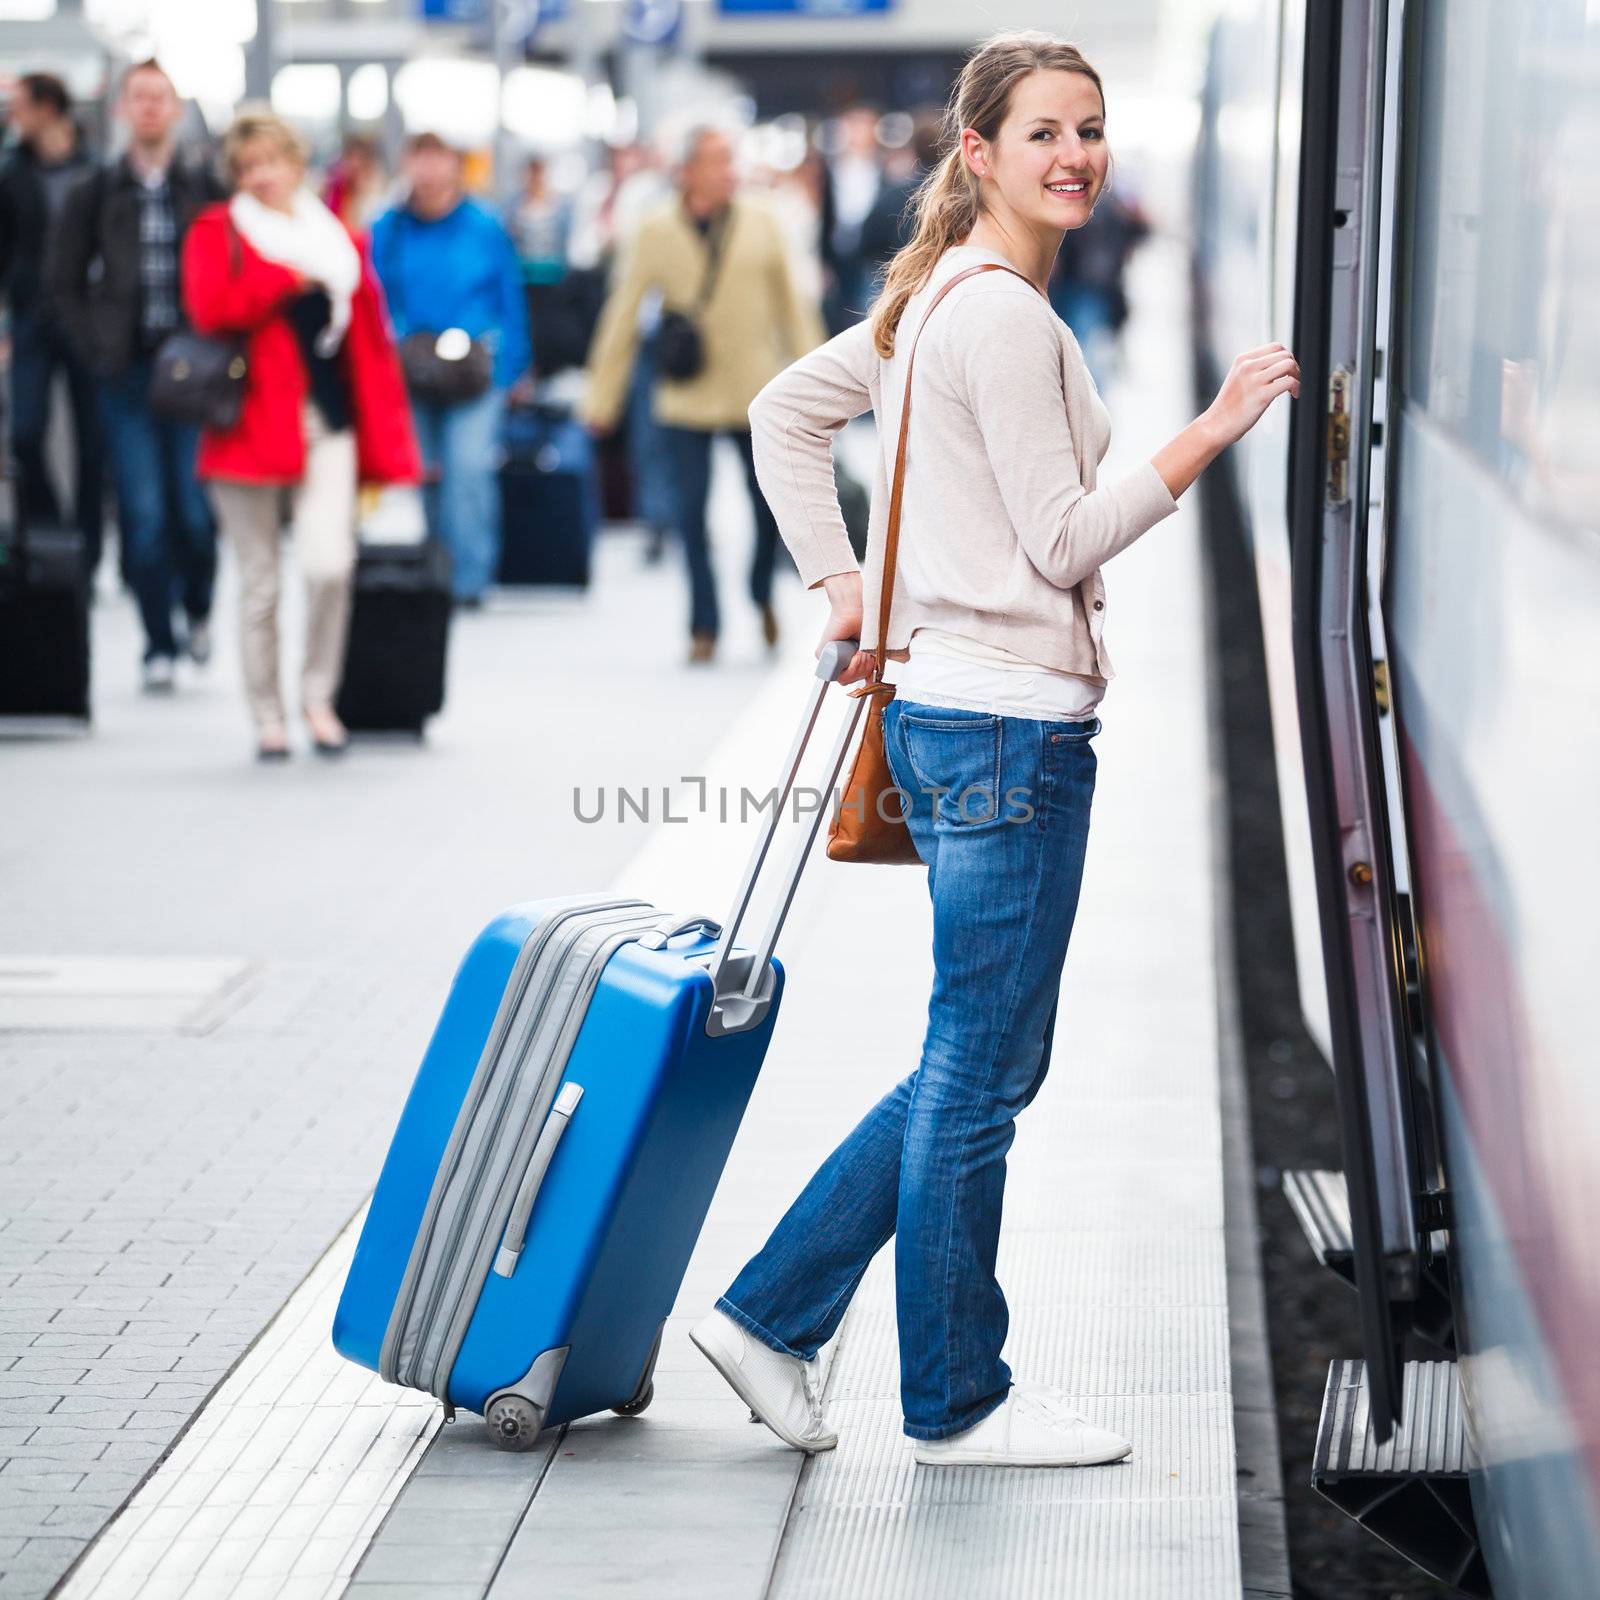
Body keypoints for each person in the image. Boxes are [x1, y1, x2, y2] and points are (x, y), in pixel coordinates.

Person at [686, 31, 1298, 1465]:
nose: (1076, 155)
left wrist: (847, 585)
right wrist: (1208, 431)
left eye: (1090, 129)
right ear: (979, 155)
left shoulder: (934, 297)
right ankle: (954, 1398)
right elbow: (1065, 538)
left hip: (951, 713)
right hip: (1010, 731)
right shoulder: (1005, 317)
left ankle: (773, 1316)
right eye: (1044, 134)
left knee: (972, 1058)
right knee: (979, 1067)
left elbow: (789, 417)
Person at [183, 108, 418, 760]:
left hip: (328, 419)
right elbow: (210, 307)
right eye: (248, 166)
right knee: (260, 580)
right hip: (246, 425)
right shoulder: (217, 231)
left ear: (295, 164)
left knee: (329, 565)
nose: (261, 177)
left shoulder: (330, 233)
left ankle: (318, 694)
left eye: (272, 162)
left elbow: (365, 327)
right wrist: (285, 279)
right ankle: (267, 713)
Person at [581, 127, 825, 663]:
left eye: (730, 160)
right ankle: (703, 624)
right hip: (686, 392)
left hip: (756, 391)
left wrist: (823, 390)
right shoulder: (655, 230)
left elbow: (794, 309)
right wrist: (601, 398)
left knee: (768, 508)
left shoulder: (764, 221)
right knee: (689, 513)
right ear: (686, 171)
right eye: (716, 161)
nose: (728, 171)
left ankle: (760, 589)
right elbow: (622, 312)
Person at [48, 59, 225, 690]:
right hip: (127, 374)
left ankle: (198, 605)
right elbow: (63, 283)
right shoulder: (95, 192)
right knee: (144, 516)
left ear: (175, 108)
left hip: (196, 372)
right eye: (139, 97)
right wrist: (97, 345)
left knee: (195, 513)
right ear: (123, 108)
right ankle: (158, 639)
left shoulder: (205, 188)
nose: (150, 107)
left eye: (161, 97)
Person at [370, 133, 530, 607]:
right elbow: (375, 294)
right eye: (419, 158)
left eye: (439, 159)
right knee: (422, 473)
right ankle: (433, 569)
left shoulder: (484, 225)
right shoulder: (389, 228)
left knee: (468, 470)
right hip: (411, 368)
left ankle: (469, 579)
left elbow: (509, 297)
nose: (429, 171)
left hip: (475, 370)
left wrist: (515, 366)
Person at [0, 73, 103, 569]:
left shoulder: (95, 170)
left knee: (92, 441)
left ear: (48, 108)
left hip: (85, 321)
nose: (12, 112)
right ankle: (44, 534)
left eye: (20, 104)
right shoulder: (11, 171)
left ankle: (88, 547)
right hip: (30, 320)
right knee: (23, 433)